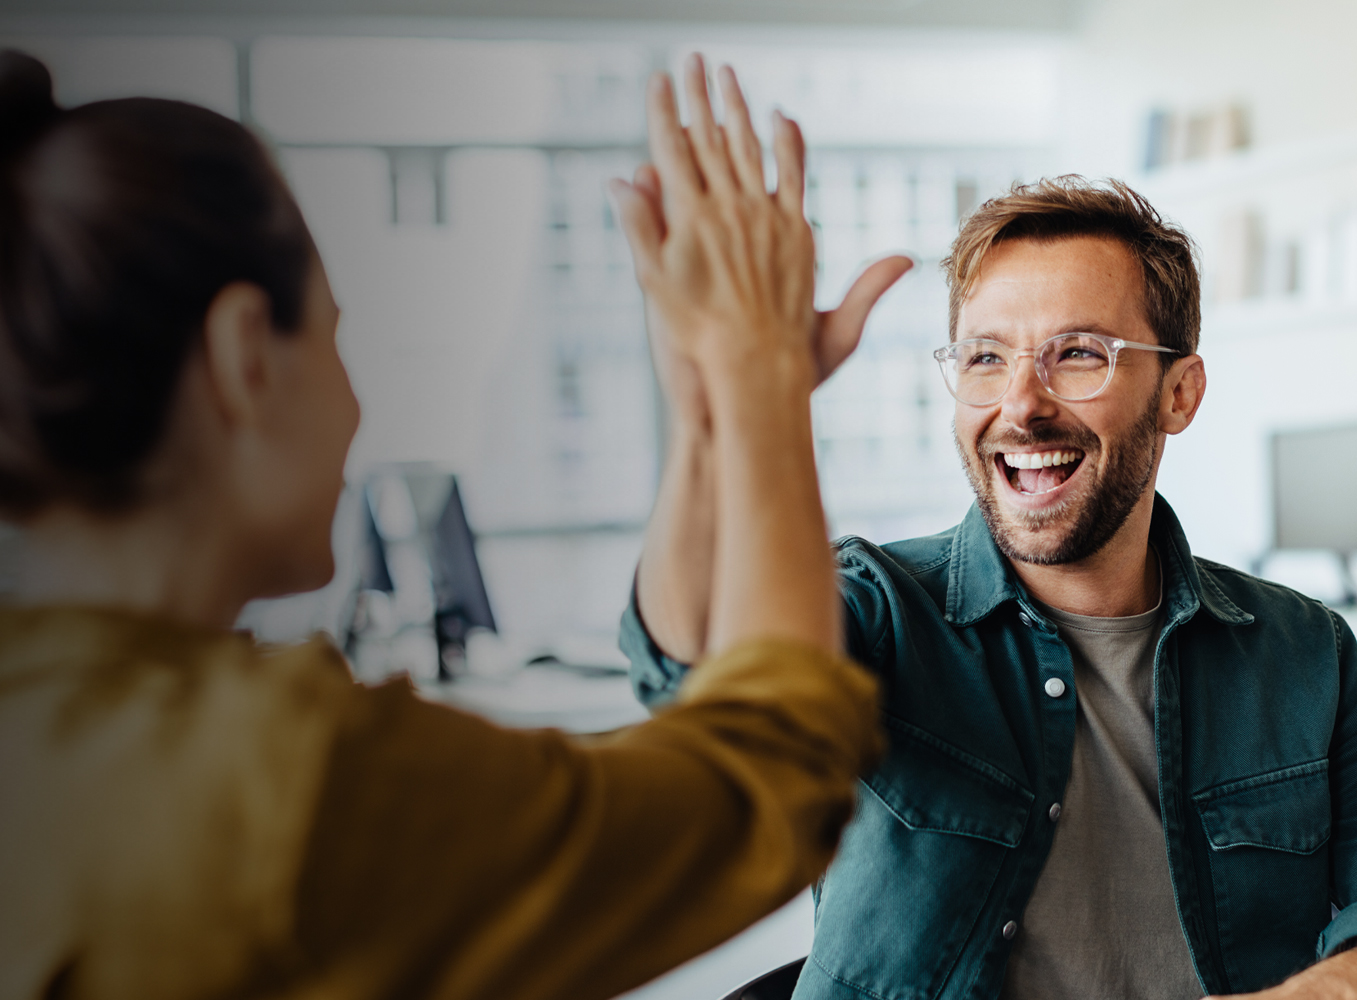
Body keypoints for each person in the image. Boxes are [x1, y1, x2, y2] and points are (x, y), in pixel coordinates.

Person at [0, 50, 890, 1000]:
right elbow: (765, 780)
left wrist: (721, 407)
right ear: (244, 356)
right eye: (336, 336)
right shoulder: (276, 783)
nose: (355, 407)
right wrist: (758, 372)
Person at [620, 173, 1357, 999]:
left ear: (1179, 393)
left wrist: (1337, 986)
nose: (1022, 403)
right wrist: (717, 415)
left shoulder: (1302, 652)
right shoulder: (881, 610)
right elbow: (698, 663)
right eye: (986, 358)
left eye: (1078, 354)